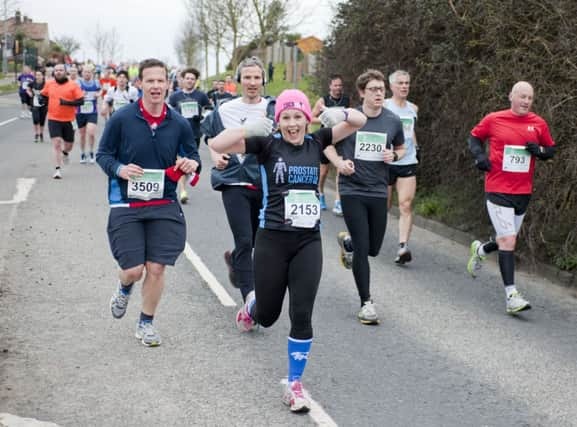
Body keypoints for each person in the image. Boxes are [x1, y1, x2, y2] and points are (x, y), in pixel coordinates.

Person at [209, 88, 366, 413]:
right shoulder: (266, 144)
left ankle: (294, 384)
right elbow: (217, 144)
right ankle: (251, 305)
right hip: (272, 240)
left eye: (298, 117)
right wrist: (249, 128)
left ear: (307, 120)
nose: (292, 124)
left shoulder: (317, 141)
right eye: (286, 118)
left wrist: (337, 115)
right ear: (277, 120)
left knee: (302, 313)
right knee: (268, 316)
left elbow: (359, 120)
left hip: (308, 241)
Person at [96, 58, 201, 346]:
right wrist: (120, 169)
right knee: (134, 270)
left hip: (163, 203)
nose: (156, 86)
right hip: (126, 203)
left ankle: (146, 323)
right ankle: (124, 286)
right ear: (139, 84)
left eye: (161, 80)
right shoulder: (122, 119)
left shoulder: (179, 123)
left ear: (169, 84)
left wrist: (191, 165)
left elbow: (194, 157)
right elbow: (103, 155)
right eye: (150, 80)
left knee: (156, 268)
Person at [466, 81, 555, 314]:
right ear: (511, 97)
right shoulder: (494, 119)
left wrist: (540, 152)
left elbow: (551, 149)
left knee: (507, 239)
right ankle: (511, 296)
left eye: (530, 98)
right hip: (497, 189)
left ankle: (481, 250)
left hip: (523, 192)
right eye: (522, 96)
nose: (526, 101)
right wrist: (479, 156)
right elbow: (474, 138)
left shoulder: (538, 123)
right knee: (509, 241)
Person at [325, 69, 405, 325]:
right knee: (363, 248)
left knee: (373, 248)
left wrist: (394, 156)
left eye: (382, 89)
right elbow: (325, 143)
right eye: (373, 89)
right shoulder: (350, 120)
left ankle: (348, 242)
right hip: (352, 190)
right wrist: (339, 162)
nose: (379, 94)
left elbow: (402, 148)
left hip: (378, 190)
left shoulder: (392, 121)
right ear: (362, 93)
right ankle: (366, 303)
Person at [201, 56, 273, 304]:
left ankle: (235, 261)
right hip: (233, 182)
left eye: (257, 77)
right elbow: (209, 138)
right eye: (248, 77)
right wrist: (216, 154)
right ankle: (250, 300)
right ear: (239, 80)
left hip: (263, 183)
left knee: (258, 240)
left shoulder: (272, 109)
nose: (252, 82)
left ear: (263, 79)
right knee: (244, 240)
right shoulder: (225, 110)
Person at [385, 70, 419, 264]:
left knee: (405, 205)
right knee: (385, 206)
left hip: (407, 160)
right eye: (400, 83)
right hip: (386, 162)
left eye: (407, 83)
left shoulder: (413, 108)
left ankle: (403, 247)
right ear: (391, 86)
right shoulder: (384, 107)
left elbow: (410, 132)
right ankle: (368, 238)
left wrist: (417, 147)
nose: (404, 86)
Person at [168, 67, 210, 204]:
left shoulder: (201, 96)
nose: (190, 81)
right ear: (182, 80)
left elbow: (210, 111)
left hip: (194, 133)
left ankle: (184, 182)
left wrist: (201, 116)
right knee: (181, 160)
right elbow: (167, 112)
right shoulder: (175, 96)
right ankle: (182, 190)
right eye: (187, 78)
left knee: (189, 162)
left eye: (193, 79)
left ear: (196, 81)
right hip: (177, 133)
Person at [311, 74, 350, 215]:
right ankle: (320, 194)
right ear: (330, 86)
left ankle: (338, 201)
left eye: (340, 85)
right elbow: (310, 117)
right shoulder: (323, 100)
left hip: (341, 137)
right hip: (326, 138)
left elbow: (351, 117)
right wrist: (326, 117)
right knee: (323, 172)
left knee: (341, 168)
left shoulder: (346, 100)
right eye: (335, 85)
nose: (338, 88)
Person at [39, 63, 85, 179]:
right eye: (56, 70)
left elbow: (81, 101)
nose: (58, 72)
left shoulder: (73, 85)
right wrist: (42, 100)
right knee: (57, 143)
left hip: (69, 120)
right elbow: (43, 94)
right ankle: (57, 170)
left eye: (61, 70)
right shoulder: (49, 84)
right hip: (53, 118)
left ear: (65, 72)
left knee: (69, 145)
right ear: (54, 72)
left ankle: (65, 153)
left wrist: (67, 103)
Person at [76, 68, 102, 164]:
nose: (87, 73)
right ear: (82, 73)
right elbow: (74, 94)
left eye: (89, 72)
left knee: (91, 132)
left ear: (92, 73)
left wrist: (97, 95)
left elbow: (100, 91)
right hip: (80, 112)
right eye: (85, 72)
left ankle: (91, 152)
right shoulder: (78, 83)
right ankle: (83, 153)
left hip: (92, 111)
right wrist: (80, 94)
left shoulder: (96, 82)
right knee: (82, 135)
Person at [27, 70, 48, 142]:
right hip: (34, 104)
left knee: (42, 120)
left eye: (39, 75)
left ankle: (41, 133)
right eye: (37, 75)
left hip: (44, 104)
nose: (38, 76)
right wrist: (29, 93)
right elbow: (28, 89)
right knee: (36, 120)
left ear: (42, 76)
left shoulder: (46, 84)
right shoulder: (32, 83)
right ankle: (36, 134)